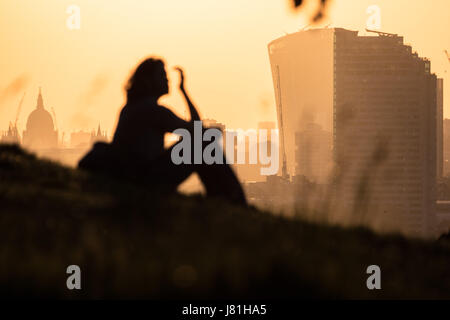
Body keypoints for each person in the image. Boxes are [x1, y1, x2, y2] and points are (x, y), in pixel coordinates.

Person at [78, 57, 246, 205]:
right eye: (162, 76)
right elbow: (197, 130)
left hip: (135, 176)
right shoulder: (152, 110)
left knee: (202, 142)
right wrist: (184, 92)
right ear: (149, 81)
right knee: (204, 144)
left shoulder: (130, 107)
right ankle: (233, 200)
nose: (168, 80)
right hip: (146, 179)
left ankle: (224, 199)